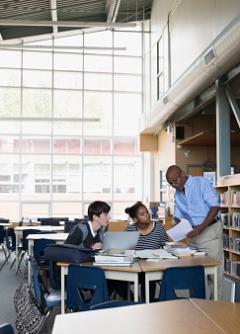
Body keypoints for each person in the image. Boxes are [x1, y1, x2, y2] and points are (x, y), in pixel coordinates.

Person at [166, 165, 223, 299]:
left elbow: (215, 207)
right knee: (194, 275)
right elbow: (178, 216)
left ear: (182, 174)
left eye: (175, 180)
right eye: (170, 183)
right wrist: (176, 226)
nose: (174, 185)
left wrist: (200, 228)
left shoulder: (201, 183)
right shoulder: (177, 194)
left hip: (209, 233)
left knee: (214, 275)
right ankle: (197, 307)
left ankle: (216, 310)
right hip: (192, 236)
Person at [124, 201, 168, 302]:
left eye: (147, 212)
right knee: (118, 281)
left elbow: (165, 247)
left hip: (154, 268)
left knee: (148, 278)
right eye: (142, 214)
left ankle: (147, 304)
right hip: (135, 269)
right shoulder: (130, 230)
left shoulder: (159, 227)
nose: (147, 215)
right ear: (135, 219)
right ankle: (134, 301)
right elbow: (124, 251)